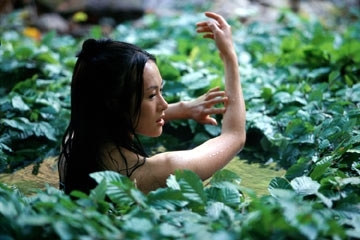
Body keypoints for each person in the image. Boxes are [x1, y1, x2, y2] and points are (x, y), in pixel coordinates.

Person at [58, 11, 246, 195]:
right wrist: (229, 56)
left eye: (160, 91)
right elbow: (234, 136)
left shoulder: (72, 148)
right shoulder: (159, 172)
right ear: (114, 105)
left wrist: (183, 109)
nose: (164, 105)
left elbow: (98, 114)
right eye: (151, 96)